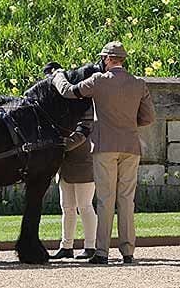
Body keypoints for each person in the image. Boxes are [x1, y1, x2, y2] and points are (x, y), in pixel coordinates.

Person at [51, 42, 156, 264]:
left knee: (105, 199)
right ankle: (127, 252)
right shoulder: (138, 83)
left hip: (105, 147)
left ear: (108, 59)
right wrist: (127, 124)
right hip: (130, 146)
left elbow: (69, 91)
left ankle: (102, 252)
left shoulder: (99, 80)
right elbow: (148, 118)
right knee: (127, 200)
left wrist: (58, 74)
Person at [43, 61, 97, 260]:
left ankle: (91, 246)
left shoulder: (85, 104)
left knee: (85, 206)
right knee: (67, 207)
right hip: (65, 165)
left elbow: (82, 132)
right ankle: (66, 246)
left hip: (82, 163)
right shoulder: (61, 106)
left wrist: (57, 145)